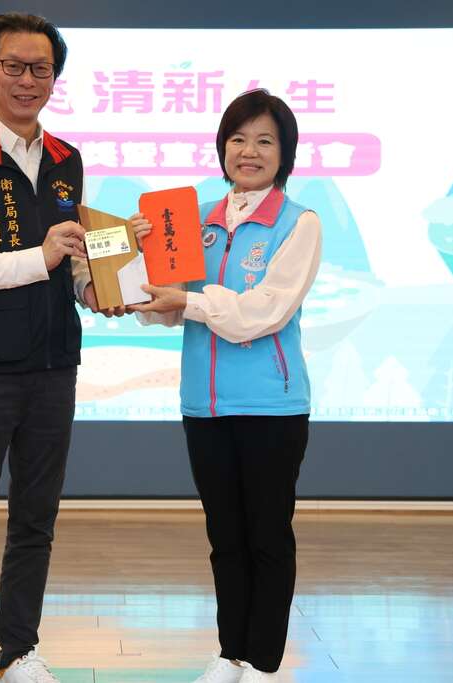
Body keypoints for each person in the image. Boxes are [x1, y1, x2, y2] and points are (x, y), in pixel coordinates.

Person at [0, 12, 118, 683]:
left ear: (54, 78)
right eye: (13, 66)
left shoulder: (68, 160)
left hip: (54, 367)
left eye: (41, 69)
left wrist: (103, 287)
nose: (27, 80)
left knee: (37, 519)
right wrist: (40, 257)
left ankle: (19, 649)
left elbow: (77, 261)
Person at [129, 89, 322, 682]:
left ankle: (263, 662)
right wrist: (133, 256)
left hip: (271, 406)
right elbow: (164, 306)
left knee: (267, 537)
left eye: (264, 140)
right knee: (225, 538)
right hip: (204, 405)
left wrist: (187, 301)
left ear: (284, 153)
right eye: (238, 139)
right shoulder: (194, 220)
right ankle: (230, 652)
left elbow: (264, 312)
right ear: (222, 148)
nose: (249, 151)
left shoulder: (299, 223)